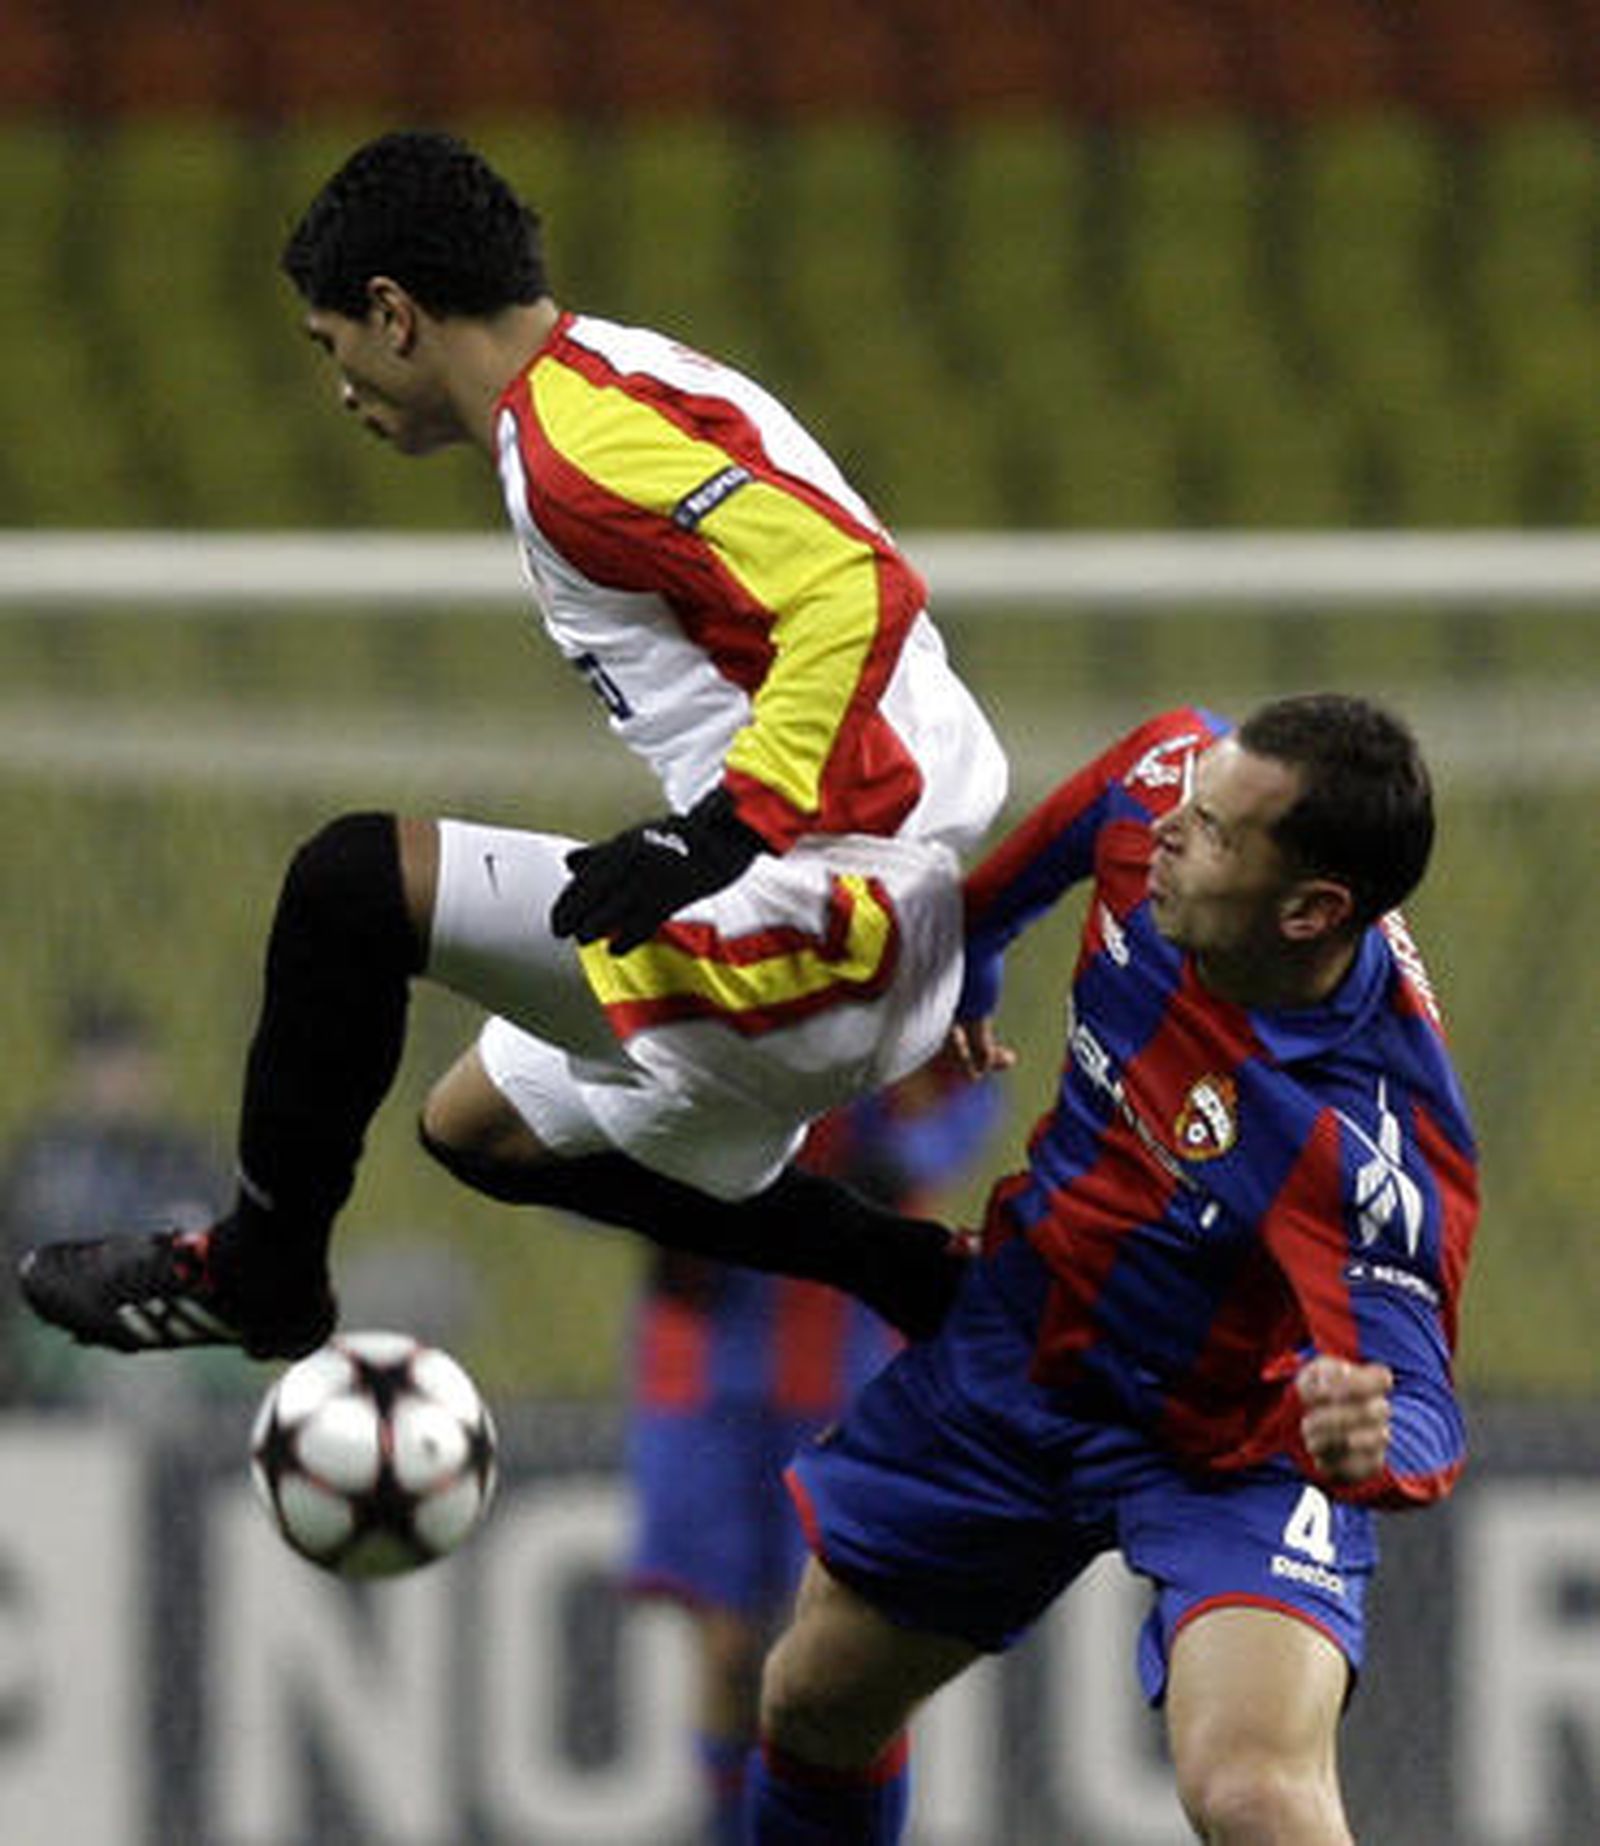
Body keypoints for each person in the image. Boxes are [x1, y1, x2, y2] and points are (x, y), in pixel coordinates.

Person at [17, 130, 1006, 1363]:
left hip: (820, 926)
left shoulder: (576, 451)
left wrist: (726, 826)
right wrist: (965, 938)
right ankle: (918, 1276)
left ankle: (260, 1271)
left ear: (393, 313)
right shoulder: (616, 374)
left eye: (332, 349)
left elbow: (858, 589)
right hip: (870, 916)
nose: (341, 389)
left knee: (352, 885)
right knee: (477, 1126)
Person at [741, 693, 1479, 1846]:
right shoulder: (1165, 788)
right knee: (815, 1702)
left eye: (1220, 830)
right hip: (1036, 1347)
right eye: (1195, 798)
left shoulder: (1367, 1137)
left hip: (1235, 1439)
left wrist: (1373, 1445)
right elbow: (1022, 875)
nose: (1175, 826)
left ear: (1311, 909)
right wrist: (966, 972)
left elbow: (1422, 1398)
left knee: (1251, 1791)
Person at [623, 1067, 1000, 1846]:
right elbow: (564, 1113)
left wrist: (909, 1155)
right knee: (727, 1648)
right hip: (700, 1364)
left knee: (833, 1653)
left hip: (850, 1359)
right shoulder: (644, 960)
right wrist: (638, 1188)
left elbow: (968, 1089)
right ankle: (732, 1829)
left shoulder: (896, 960)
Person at [0, 996, 232, 1405]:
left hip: (177, 1337)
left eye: (133, 1065)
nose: (122, 1081)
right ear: (77, 1076)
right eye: (106, 1067)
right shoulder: (43, 1166)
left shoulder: (192, 1163)